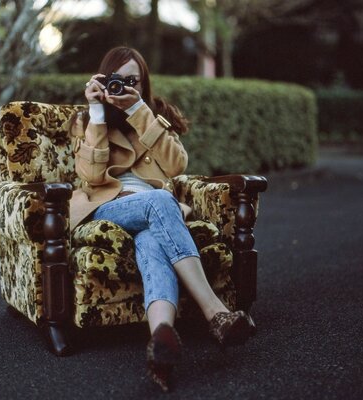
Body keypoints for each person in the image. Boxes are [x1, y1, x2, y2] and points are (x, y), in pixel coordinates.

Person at [69, 47, 252, 392]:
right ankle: (215, 311)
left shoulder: (154, 114)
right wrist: (96, 111)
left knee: (153, 241)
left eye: (131, 80)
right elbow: (92, 177)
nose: (122, 86)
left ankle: (161, 342)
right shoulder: (87, 120)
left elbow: (177, 166)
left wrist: (138, 110)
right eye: (116, 80)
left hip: (156, 212)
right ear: (102, 80)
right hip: (111, 207)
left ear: (143, 83)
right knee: (159, 200)